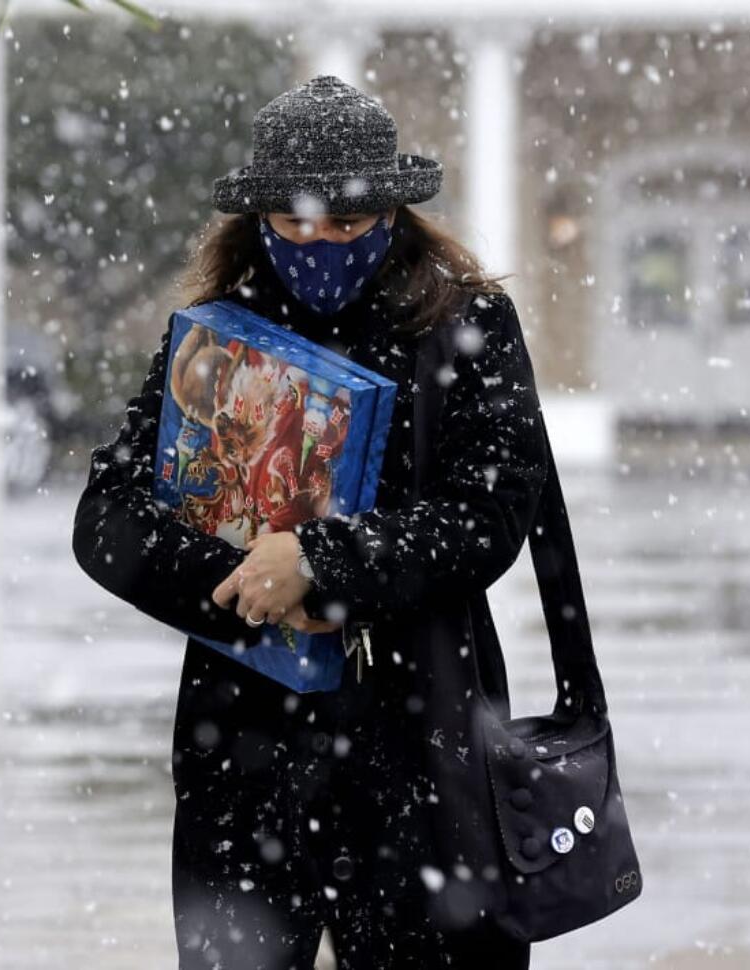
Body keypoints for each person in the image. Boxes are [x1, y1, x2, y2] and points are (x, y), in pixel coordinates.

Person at [71, 74, 548, 970]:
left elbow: (490, 513)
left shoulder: (467, 323)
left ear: (393, 212)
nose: (316, 241)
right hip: (245, 749)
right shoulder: (215, 335)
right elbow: (110, 518)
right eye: (291, 222)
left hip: (423, 739)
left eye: (345, 222)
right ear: (256, 217)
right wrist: (252, 589)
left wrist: (326, 565)